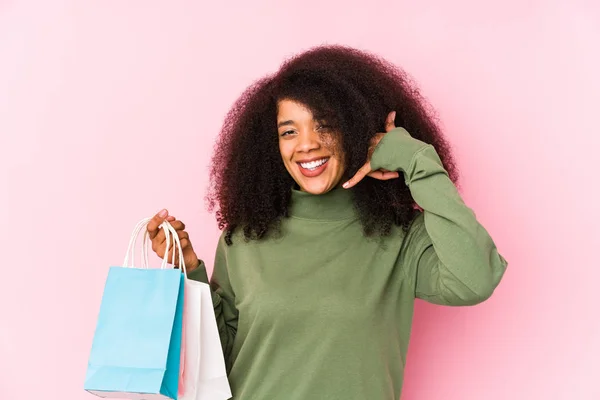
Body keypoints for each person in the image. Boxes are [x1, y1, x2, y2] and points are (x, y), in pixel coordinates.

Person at [147, 45, 508, 400]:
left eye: (324, 126)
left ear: (355, 130)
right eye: (289, 131)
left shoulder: (399, 235)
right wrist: (189, 269)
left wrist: (415, 160)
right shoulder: (244, 237)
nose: (306, 145)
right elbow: (216, 367)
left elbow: (475, 279)